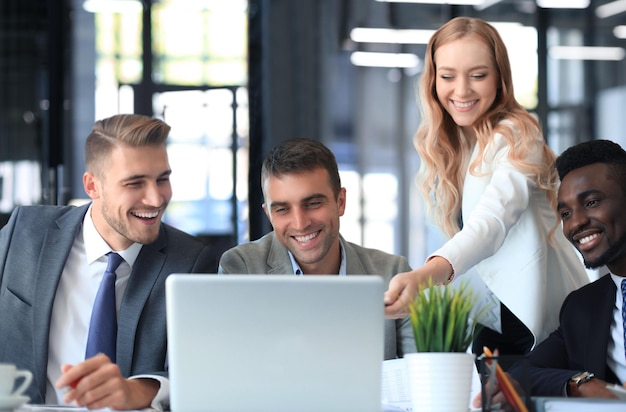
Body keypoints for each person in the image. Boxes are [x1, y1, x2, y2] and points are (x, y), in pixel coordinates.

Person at [383, 16, 589, 361]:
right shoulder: (449, 149)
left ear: (499, 78)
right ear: (433, 80)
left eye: (478, 75)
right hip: (493, 319)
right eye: (447, 76)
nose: (461, 90)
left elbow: (493, 222)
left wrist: (426, 276)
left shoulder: (517, 133)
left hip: (543, 323)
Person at [0, 114, 216, 410]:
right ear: (92, 186)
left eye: (162, 179)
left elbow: (201, 371)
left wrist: (138, 391)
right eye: (134, 183)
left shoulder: (191, 261)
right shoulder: (25, 232)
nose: (155, 199)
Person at [218, 137, 416, 359]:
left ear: (340, 202)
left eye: (313, 204)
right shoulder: (241, 268)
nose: (300, 224)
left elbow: (421, 377)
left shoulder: (392, 274)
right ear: (269, 215)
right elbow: (233, 369)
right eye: (282, 209)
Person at [474, 139, 626, 409]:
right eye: (566, 213)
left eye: (591, 202)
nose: (576, 223)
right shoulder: (583, 307)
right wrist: (580, 384)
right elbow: (522, 372)